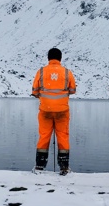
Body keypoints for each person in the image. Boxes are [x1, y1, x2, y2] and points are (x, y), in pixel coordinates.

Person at [31, 47, 77, 175]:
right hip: (62, 111)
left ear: (48, 58)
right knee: (63, 137)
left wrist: (43, 95)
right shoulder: (67, 73)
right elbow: (73, 90)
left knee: (44, 136)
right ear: (60, 58)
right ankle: (64, 167)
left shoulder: (41, 72)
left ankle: (39, 166)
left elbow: (34, 90)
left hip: (45, 110)